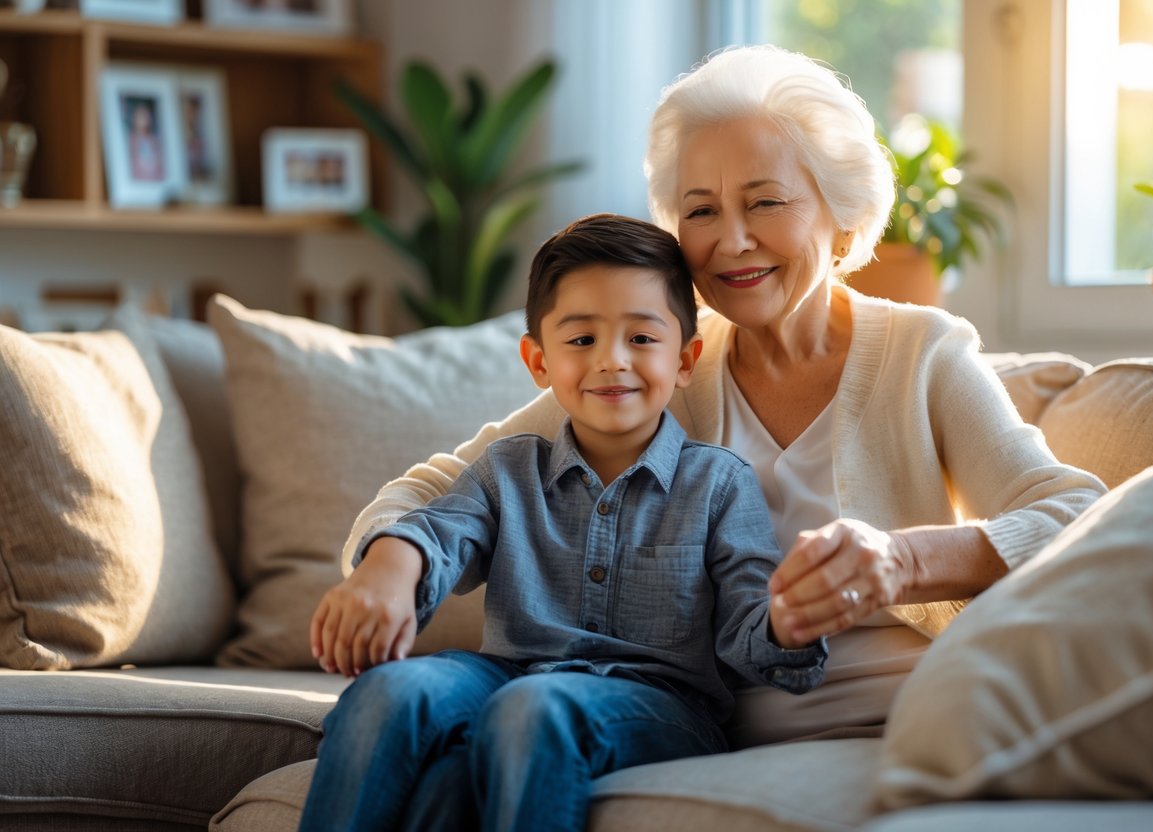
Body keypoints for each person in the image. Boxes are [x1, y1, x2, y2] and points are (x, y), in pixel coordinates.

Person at [334, 44, 1107, 749]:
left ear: (841, 219)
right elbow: (437, 490)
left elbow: (1077, 516)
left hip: (905, 716)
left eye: (765, 202)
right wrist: (390, 562)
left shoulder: (920, 352)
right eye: (700, 210)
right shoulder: (664, 366)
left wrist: (902, 559)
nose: (730, 240)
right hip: (685, 722)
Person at [302, 214, 828, 831]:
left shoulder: (718, 483)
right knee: (391, 696)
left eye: (641, 338)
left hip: (660, 704)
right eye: (581, 341)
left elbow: (748, 623)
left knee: (534, 708)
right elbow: (445, 531)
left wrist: (788, 623)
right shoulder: (507, 470)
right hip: (507, 674)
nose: (611, 361)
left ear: (686, 359)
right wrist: (391, 562)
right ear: (538, 361)